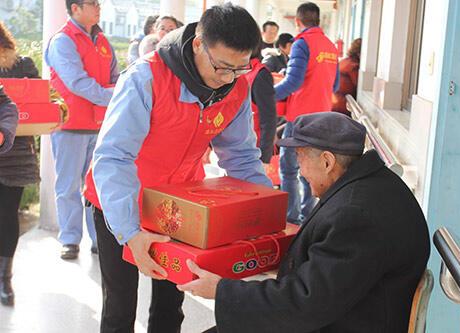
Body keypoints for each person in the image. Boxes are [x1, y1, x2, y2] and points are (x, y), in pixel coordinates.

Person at [83, 4, 269, 332]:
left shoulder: (237, 87)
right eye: (222, 67)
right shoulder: (146, 78)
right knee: (120, 304)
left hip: (178, 208)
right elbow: (114, 158)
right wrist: (130, 232)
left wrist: (267, 213)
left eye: (240, 68)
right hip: (118, 203)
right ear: (198, 44)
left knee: (173, 302)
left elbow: (240, 158)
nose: (229, 78)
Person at [179, 112, 431, 333]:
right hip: (348, 313)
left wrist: (221, 290)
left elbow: (305, 303)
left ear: (327, 161)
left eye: (300, 158)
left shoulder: (355, 216)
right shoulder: (369, 183)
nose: (299, 170)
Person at [44, 0, 119, 260]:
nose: (98, 8)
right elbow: (77, 82)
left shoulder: (102, 40)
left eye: (99, 3)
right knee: (68, 186)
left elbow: (115, 77)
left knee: (96, 186)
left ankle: (98, 238)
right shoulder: (63, 40)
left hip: (100, 125)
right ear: (75, 8)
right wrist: (113, 97)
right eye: (92, 3)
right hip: (70, 125)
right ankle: (69, 239)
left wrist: (116, 92)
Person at [275, 2, 339, 225]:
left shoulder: (302, 43)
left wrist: (265, 96)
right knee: (313, 172)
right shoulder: (331, 46)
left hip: (301, 118)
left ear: (297, 21)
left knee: (289, 169)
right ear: (318, 20)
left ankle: (290, 219)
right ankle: (308, 217)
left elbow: (293, 82)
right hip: (323, 117)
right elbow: (335, 84)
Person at [0, 22, 41, 306]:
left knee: (6, 215)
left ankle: (5, 277)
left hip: (14, 155)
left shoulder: (23, 65)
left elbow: (41, 103)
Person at [244, 55, 277, 169]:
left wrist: (264, 157)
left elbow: (269, 119)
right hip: (235, 148)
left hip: (254, 150)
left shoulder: (260, 75)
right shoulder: (237, 72)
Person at [332, 38, 361, 115]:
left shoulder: (344, 61)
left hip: (334, 101)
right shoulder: (353, 67)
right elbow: (360, 87)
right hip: (342, 106)